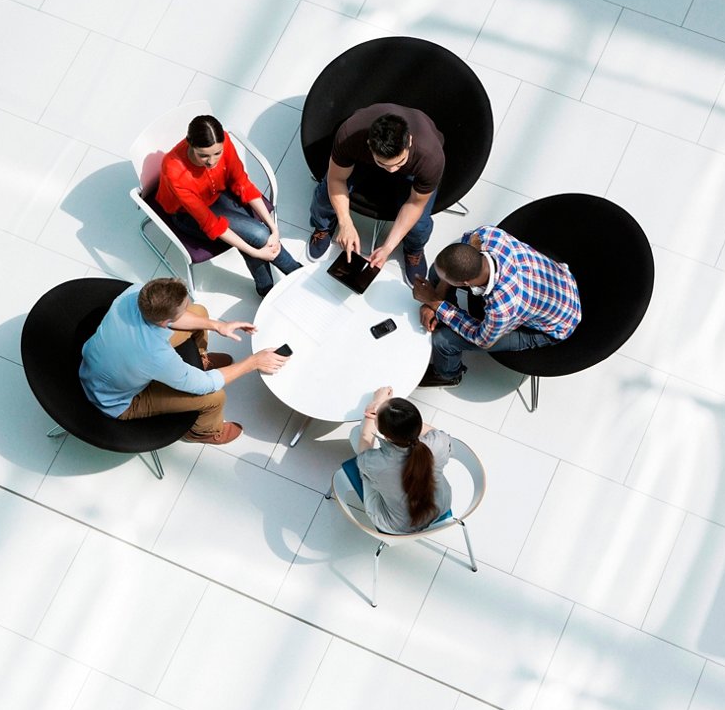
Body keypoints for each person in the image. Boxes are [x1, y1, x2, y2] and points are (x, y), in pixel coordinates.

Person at [79, 277, 288, 445]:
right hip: (116, 402)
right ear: (165, 322)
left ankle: (200, 362)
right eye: (182, 309)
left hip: (108, 362)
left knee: (200, 313)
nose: (187, 308)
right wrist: (253, 362)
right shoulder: (157, 356)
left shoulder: (133, 293)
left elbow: (178, 319)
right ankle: (203, 432)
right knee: (215, 397)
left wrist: (217, 326)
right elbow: (205, 385)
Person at [411, 225, 581, 388]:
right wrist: (436, 301)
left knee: (442, 340)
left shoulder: (502, 307)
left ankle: (448, 376)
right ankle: (444, 315)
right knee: (436, 271)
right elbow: (461, 251)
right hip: (557, 283)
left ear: (465, 283)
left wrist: (435, 303)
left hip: (552, 327)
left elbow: (482, 339)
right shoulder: (487, 235)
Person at [156, 115, 301, 297]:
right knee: (258, 234)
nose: (211, 161)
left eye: (217, 153)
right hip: (187, 214)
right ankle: (296, 274)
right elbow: (211, 224)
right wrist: (256, 253)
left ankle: (267, 289)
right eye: (203, 156)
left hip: (216, 193)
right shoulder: (174, 170)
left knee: (261, 233)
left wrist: (274, 227)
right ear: (189, 144)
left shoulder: (224, 140)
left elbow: (243, 184)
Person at [307, 104, 444, 284]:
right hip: (363, 161)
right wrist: (345, 222)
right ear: (370, 145)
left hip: (413, 170)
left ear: (409, 141)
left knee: (419, 224)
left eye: (399, 162)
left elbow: (415, 204)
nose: (393, 171)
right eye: (384, 164)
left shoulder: (430, 158)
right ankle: (323, 227)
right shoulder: (349, 135)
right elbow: (336, 180)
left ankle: (414, 250)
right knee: (325, 194)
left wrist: (387, 247)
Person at [336, 386, 452, 534]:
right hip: (439, 506)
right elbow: (433, 433)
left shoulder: (376, 464)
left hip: (398, 526)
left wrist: (375, 405)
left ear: (387, 437)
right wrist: (395, 412)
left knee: (355, 434)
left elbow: (364, 444)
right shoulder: (438, 443)